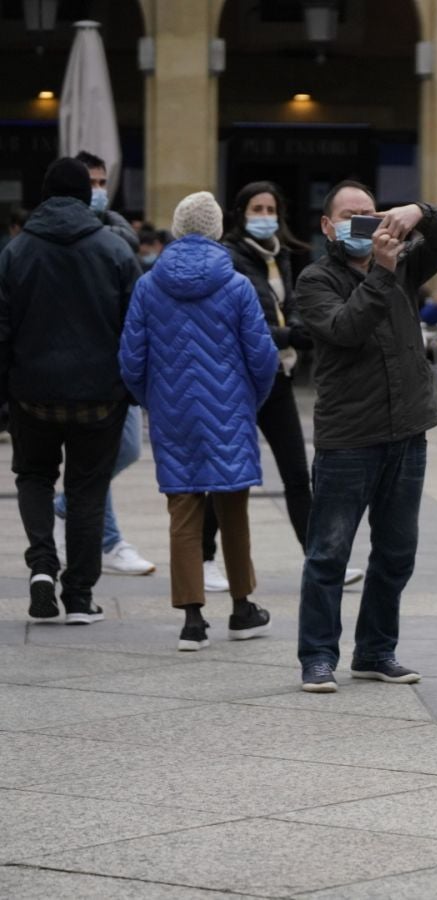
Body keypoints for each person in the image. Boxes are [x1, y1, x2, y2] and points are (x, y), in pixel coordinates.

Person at [293, 180, 437, 692]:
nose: (361, 224)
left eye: (369, 214)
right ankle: (318, 656)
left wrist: (419, 210)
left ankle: (374, 651)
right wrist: (383, 273)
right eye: (349, 216)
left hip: (407, 431)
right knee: (329, 552)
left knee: (395, 552)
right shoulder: (314, 280)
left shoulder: (405, 263)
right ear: (327, 226)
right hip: (349, 437)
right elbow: (346, 329)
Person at [119, 192, 277, 651]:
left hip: (173, 412)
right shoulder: (237, 284)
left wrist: (152, 400)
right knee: (233, 508)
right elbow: (262, 357)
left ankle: (192, 620)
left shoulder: (150, 284)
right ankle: (243, 606)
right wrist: (249, 400)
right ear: (217, 230)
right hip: (229, 409)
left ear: (176, 229)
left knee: (183, 510)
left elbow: (131, 359)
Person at [199, 181, 364, 595]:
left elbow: (289, 303)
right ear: (240, 213)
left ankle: (320, 559)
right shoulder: (229, 257)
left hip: (276, 376)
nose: (264, 215)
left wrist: (295, 327)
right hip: (236, 380)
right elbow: (237, 319)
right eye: (256, 208)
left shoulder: (280, 256)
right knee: (228, 472)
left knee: (295, 471)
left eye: (270, 208)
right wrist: (289, 335)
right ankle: (203, 557)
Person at [1, 157, 139, 625]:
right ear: (86, 195)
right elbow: (134, 328)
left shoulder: (16, 252)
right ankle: (79, 595)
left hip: (31, 393)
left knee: (34, 477)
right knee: (87, 490)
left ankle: (42, 566)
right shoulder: (115, 250)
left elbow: (1, 330)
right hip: (100, 396)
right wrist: (132, 388)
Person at [50, 152, 156, 577]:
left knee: (123, 450)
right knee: (95, 456)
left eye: (101, 182)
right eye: (89, 182)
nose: (96, 190)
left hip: (118, 365)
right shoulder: (57, 237)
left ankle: (68, 504)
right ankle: (108, 541)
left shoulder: (118, 234)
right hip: (79, 367)